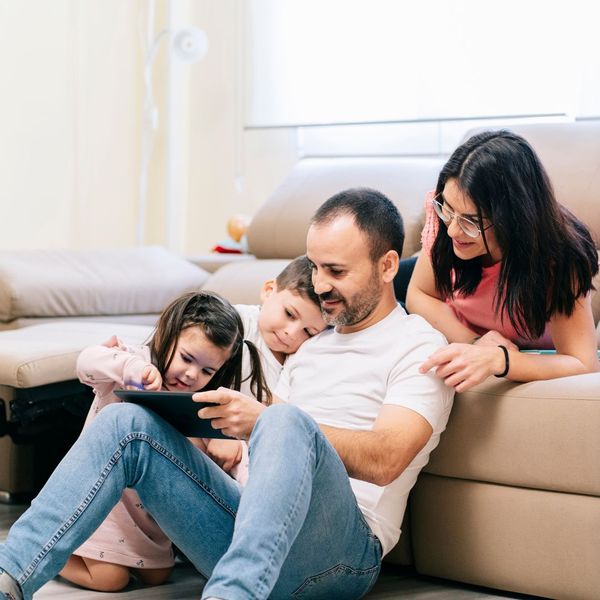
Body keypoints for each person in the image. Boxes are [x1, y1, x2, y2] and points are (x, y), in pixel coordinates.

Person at [0, 187, 453, 600]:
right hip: (240, 527)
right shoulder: (307, 339)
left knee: (283, 420)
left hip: (338, 555)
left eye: (335, 271)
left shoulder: (420, 346)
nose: (318, 284)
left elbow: (387, 459)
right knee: (126, 421)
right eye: (314, 267)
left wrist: (264, 419)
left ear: (388, 265)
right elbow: (208, 333)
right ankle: (10, 577)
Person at [59, 290, 273, 592]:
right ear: (167, 333)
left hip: (149, 517)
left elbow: (209, 461)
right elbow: (86, 362)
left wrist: (232, 446)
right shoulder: (135, 363)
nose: (190, 374)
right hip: (108, 503)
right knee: (111, 578)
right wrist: (132, 368)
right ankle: (58, 552)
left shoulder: (200, 402)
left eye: (207, 370)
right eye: (187, 358)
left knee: (157, 576)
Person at [405, 129, 599, 392]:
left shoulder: (561, 256)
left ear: (514, 219)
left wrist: (502, 360)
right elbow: (418, 294)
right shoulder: (447, 217)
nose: (452, 231)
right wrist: (476, 342)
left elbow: (582, 362)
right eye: (448, 210)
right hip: (441, 298)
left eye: (472, 221)